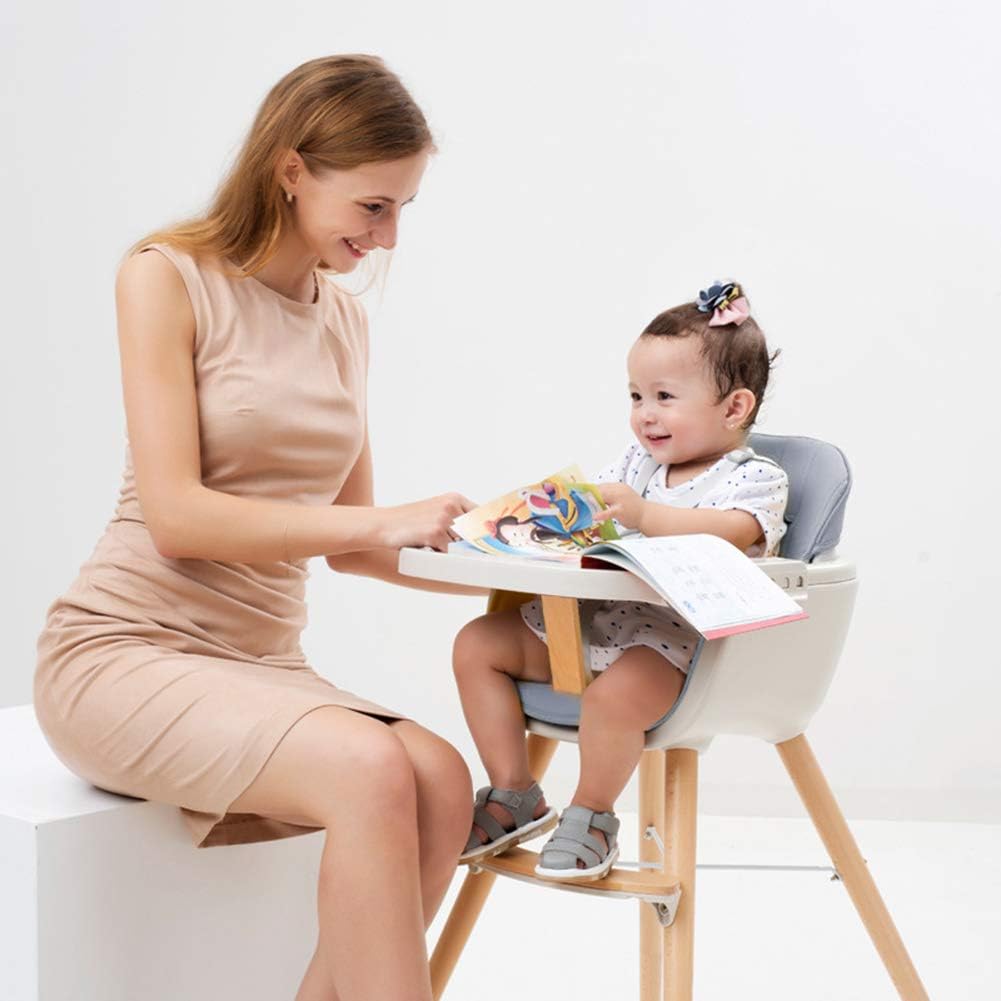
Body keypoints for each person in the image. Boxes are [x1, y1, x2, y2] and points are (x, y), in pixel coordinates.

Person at [34, 54, 488, 1001]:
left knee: (442, 780)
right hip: (125, 648)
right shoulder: (167, 277)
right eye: (373, 206)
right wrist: (389, 516)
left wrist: (511, 562)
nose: (390, 236)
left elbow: (354, 543)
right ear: (291, 171)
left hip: (259, 664)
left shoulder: (343, 324)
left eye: (402, 209)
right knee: (371, 767)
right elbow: (176, 517)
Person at [453, 281, 788, 881]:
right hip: (593, 622)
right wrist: (529, 525)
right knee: (477, 644)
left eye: (664, 395)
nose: (644, 413)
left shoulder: (755, 479)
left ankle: (592, 814)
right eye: (636, 395)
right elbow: (586, 516)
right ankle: (514, 791)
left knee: (611, 699)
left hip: (676, 647)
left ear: (735, 408)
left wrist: (643, 516)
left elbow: (730, 534)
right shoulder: (637, 466)